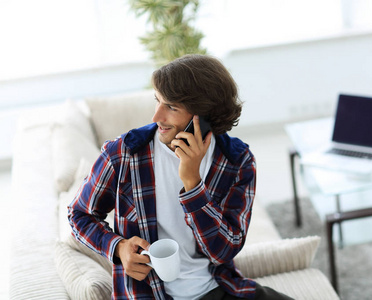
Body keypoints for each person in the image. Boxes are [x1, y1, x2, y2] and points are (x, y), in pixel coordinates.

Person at [68, 54, 293, 300]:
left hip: (219, 288)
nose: (156, 117)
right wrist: (118, 247)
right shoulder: (123, 154)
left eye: (171, 107)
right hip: (148, 294)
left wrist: (193, 184)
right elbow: (80, 214)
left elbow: (223, 251)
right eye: (158, 101)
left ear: (204, 116)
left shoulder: (237, 161)